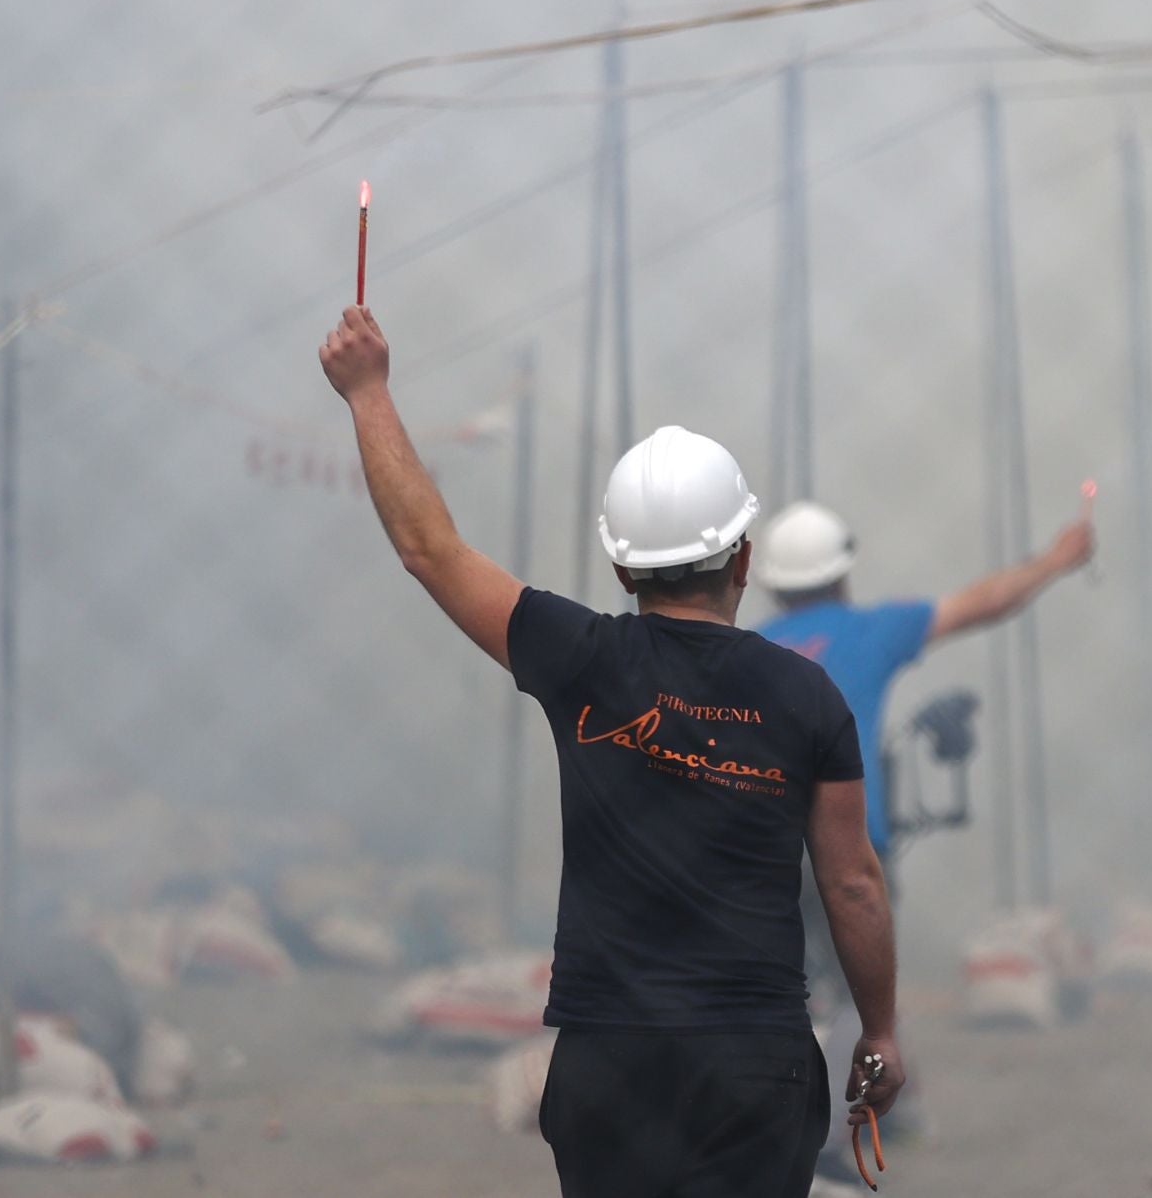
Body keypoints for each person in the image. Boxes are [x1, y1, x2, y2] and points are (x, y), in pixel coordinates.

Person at [320, 306, 903, 1198]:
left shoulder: (580, 658)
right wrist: (881, 1031)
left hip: (610, 1061)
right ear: (742, 558)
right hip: (757, 1063)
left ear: (625, 569)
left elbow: (428, 550)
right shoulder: (806, 696)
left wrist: (367, 393)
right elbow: (853, 881)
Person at [752, 496, 1093, 1174]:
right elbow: (983, 602)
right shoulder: (872, 629)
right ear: (842, 573)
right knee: (862, 987)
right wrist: (1056, 559)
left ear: (769, 581)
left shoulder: (749, 649)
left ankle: (892, 1108)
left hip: (756, 844)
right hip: (847, 840)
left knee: (789, 987)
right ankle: (826, 1141)